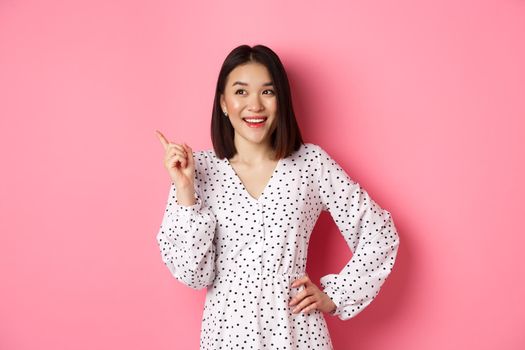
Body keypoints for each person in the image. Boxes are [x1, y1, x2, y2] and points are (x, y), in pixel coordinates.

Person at [154, 44, 400, 350]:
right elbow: (194, 274)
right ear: (223, 103)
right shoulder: (197, 170)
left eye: (267, 92)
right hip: (227, 335)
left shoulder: (311, 163)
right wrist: (185, 191)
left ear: (281, 101)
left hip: (297, 333)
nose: (254, 105)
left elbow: (379, 233)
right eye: (241, 92)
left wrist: (337, 295)